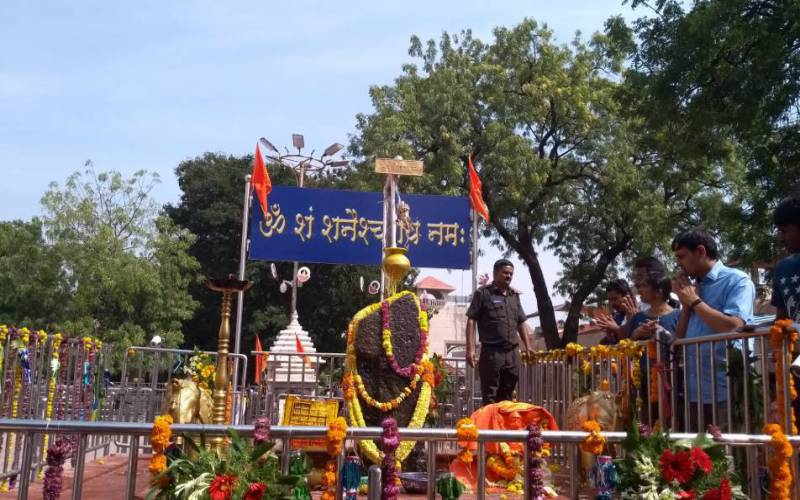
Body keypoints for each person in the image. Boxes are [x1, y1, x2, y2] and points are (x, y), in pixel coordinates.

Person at [672, 229, 755, 431]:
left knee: (730, 454)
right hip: (695, 390)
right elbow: (679, 337)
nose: (678, 264)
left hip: (726, 389)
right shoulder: (692, 289)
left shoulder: (737, 280)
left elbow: (735, 326)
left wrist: (695, 301)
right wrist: (686, 303)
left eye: (681, 256)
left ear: (700, 251)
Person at [466, 259, 533, 406]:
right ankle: (489, 428)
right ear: (495, 273)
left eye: (511, 274)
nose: (508, 276)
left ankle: (504, 428)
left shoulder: (514, 296)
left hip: (512, 353)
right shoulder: (483, 294)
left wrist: (528, 346)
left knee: (508, 397)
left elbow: (521, 322)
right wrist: (470, 349)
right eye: (505, 273)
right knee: (490, 397)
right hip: (492, 353)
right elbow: (471, 320)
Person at [772, 196, 800, 324]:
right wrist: (755, 328)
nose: (781, 239)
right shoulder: (782, 269)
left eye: (785, 231)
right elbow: (782, 320)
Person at [594, 279, 637, 344]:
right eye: (610, 300)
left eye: (614, 299)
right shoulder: (616, 318)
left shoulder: (641, 312)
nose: (612, 303)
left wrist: (616, 328)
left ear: (627, 295)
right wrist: (610, 337)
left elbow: (632, 339)